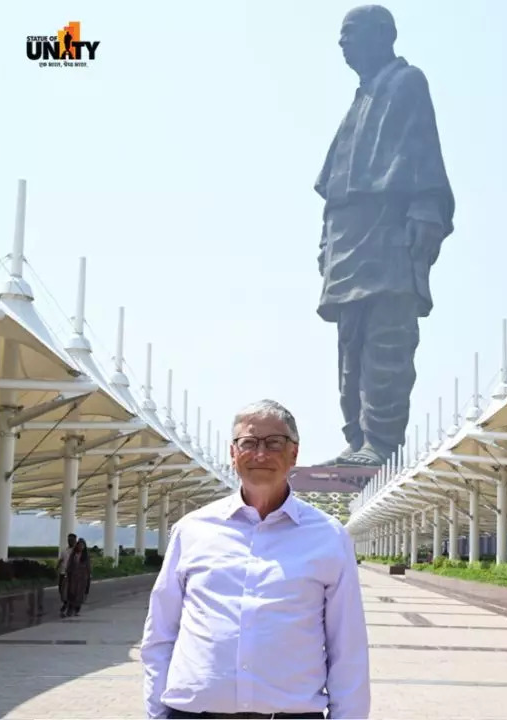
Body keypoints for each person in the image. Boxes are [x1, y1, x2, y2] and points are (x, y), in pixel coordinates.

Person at [141, 399, 371, 719]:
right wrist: (156, 713)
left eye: (274, 443)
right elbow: (160, 634)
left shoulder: (328, 537)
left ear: (294, 453)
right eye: (248, 443)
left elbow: (348, 648)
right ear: (233, 453)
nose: (260, 454)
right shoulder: (192, 530)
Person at [314, 4, 455, 467]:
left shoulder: (406, 82)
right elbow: (333, 182)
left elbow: (424, 150)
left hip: (388, 230)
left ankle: (380, 443)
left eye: (350, 33)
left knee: (387, 337)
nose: (342, 43)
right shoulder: (361, 98)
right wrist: (326, 242)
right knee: (350, 344)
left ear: (383, 35)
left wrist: (426, 207)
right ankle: (357, 439)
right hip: (348, 237)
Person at [64, 538, 92, 617]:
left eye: (82, 546)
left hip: (82, 578)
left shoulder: (86, 556)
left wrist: (89, 575)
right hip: (73, 577)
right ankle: (70, 609)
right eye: (79, 545)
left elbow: (88, 567)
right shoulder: (73, 555)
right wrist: (67, 573)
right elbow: (69, 565)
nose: (81, 547)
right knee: (71, 593)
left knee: (79, 594)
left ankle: (76, 609)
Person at [56, 532, 77, 617]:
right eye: (69, 540)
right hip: (63, 573)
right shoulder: (64, 551)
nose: (70, 541)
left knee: (70, 591)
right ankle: (66, 602)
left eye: (72, 540)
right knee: (61, 590)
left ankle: (69, 606)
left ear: (75, 541)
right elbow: (61, 560)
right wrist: (56, 568)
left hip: (72, 574)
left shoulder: (77, 552)